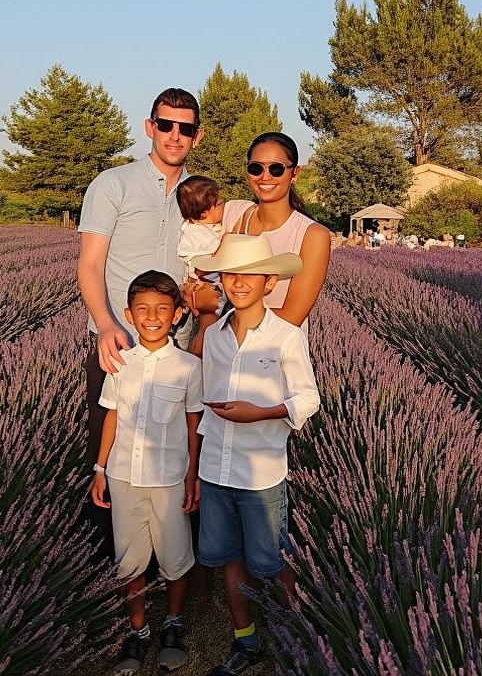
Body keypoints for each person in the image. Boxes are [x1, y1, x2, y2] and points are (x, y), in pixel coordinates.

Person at [78, 87, 204, 560]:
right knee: (110, 448)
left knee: (177, 448)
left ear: (197, 134)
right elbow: (90, 264)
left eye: (185, 128)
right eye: (166, 125)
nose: (175, 135)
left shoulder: (199, 194)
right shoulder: (113, 184)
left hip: (177, 347)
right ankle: (111, 563)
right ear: (150, 127)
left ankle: (173, 559)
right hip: (120, 343)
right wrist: (106, 323)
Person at [190, 234, 320, 675]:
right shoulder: (214, 335)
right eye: (230, 274)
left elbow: (308, 398)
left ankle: (297, 634)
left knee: (271, 562)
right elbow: (198, 390)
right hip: (214, 469)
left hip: (261, 473)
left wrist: (262, 412)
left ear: (269, 281)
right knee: (229, 557)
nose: (238, 283)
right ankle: (246, 640)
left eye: (249, 275)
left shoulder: (286, 336)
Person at [89, 271, 203, 674]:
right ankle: (137, 630)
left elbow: (193, 426)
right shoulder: (120, 364)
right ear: (128, 315)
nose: (151, 317)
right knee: (129, 559)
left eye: (161, 309)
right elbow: (112, 418)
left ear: (177, 315)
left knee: (175, 555)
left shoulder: (189, 367)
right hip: (123, 475)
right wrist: (100, 468)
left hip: (170, 478)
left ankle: (172, 623)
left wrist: (193, 477)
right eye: (142, 310)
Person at [200, 132, 330, 343]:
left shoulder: (313, 235)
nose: (265, 177)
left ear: (295, 174)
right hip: (226, 350)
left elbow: (292, 317)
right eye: (256, 168)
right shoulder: (235, 215)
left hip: (274, 356)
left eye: (276, 169)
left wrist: (223, 328)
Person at [176, 175, 225, 285]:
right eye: (219, 204)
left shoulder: (200, 227)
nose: (224, 204)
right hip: (205, 283)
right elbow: (219, 253)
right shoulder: (195, 233)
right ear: (204, 213)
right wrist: (227, 238)